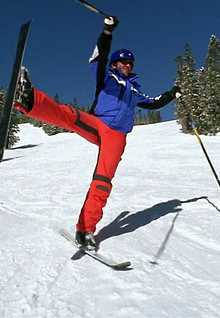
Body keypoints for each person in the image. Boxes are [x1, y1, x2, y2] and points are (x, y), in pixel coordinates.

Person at [13, 16, 180, 251]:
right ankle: (28, 100)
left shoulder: (135, 90)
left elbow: (154, 103)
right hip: (99, 124)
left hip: (117, 136)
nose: (127, 66)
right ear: (114, 63)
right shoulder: (107, 77)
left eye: (130, 64)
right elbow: (97, 58)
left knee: (103, 181)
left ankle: (85, 229)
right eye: (123, 62)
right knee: (70, 115)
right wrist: (107, 33)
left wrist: (172, 93)